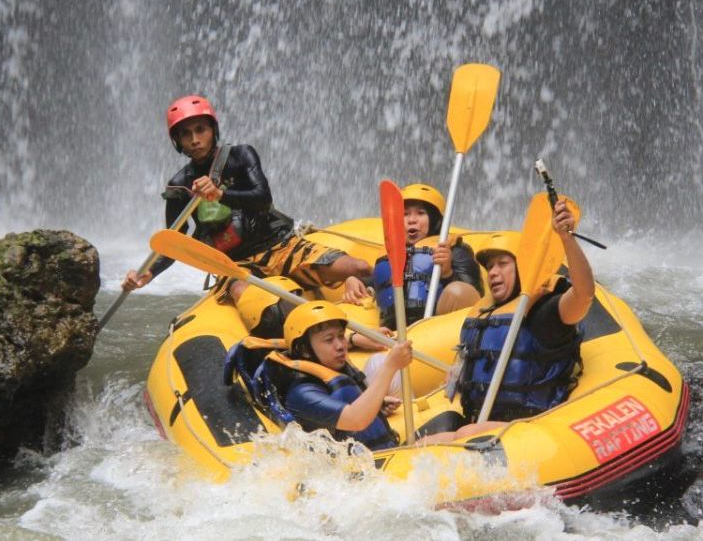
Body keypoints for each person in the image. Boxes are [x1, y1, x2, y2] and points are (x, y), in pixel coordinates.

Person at [121, 95, 370, 300]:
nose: (195, 140)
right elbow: (175, 241)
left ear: (212, 130)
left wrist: (220, 194)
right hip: (237, 267)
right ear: (177, 140)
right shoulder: (179, 186)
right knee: (258, 303)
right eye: (186, 134)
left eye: (200, 130)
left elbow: (263, 198)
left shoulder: (241, 156)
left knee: (359, 268)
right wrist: (149, 273)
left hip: (281, 246)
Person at [421, 197, 594, 443]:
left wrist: (567, 239)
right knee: (423, 440)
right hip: (481, 423)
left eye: (503, 264)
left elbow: (584, 294)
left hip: (530, 426)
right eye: (490, 266)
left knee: (465, 434)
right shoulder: (483, 314)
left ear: (523, 268)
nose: (493, 272)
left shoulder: (543, 313)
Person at [254, 301, 413, 451]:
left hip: (378, 455)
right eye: (329, 340)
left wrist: (377, 404)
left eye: (341, 336)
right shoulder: (302, 393)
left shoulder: (334, 366)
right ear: (304, 350)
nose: (341, 346)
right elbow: (355, 420)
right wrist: (390, 366)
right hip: (353, 473)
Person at [341, 183, 482, 338]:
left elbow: (475, 294)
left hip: (439, 329)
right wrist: (353, 280)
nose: (412, 220)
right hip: (394, 330)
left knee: (457, 291)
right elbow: (382, 283)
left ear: (434, 219)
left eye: (420, 213)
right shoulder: (390, 254)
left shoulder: (455, 250)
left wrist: (447, 273)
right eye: (405, 214)